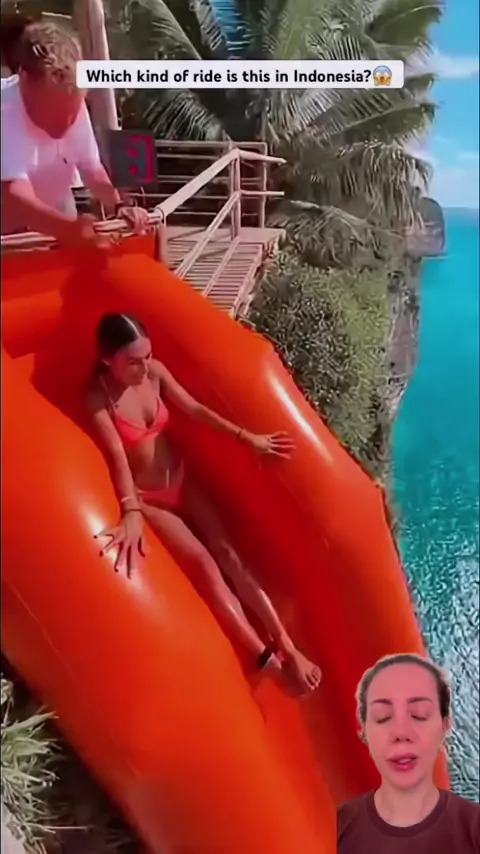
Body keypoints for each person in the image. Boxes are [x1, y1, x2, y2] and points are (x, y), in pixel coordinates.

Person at [85, 312, 322, 697]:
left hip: (181, 478)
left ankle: (289, 646)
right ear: (107, 359)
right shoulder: (99, 399)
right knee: (206, 565)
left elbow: (194, 409)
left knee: (229, 554)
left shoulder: (154, 373)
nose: (143, 367)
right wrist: (131, 511)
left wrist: (247, 438)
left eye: (147, 356)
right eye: (133, 362)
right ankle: (268, 662)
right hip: (151, 500)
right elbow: (117, 458)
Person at [0, 14, 148, 243]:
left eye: (72, 112)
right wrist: (70, 231)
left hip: (56, 210)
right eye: (53, 109)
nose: (65, 124)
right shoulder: (5, 109)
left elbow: (91, 167)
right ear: (25, 80)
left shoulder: (71, 95)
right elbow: (15, 195)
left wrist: (119, 205)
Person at [338, 652, 480, 853]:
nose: (401, 733)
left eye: (419, 715)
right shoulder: (333, 830)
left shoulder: (473, 829)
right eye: (383, 717)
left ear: (444, 726)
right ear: (364, 732)